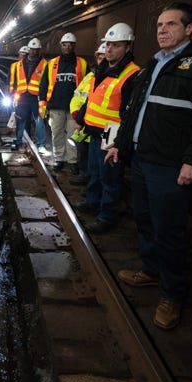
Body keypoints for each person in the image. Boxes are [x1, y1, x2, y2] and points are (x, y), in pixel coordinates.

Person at [105, 3, 192, 330]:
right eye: (160, 25)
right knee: (145, 221)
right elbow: (134, 111)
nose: (162, 30)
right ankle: (151, 271)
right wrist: (120, 144)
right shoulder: (154, 64)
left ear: (190, 28)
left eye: (171, 24)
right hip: (142, 159)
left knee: (169, 230)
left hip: (170, 165)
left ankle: (172, 294)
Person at [77, 24, 140, 234]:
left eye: (116, 45)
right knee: (95, 172)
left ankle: (107, 216)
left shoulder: (132, 74)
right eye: (108, 44)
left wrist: (119, 140)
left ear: (128, 47)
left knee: (110, 178)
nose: (110, 49)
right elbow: (93, 97)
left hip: (112, 133)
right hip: (95, 131)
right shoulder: (103, 68)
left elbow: (129, 113)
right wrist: (83, 118)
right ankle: (92, 202)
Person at [38, 32, 88, 172]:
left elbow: (88, 84)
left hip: (74, 108)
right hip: (55, 105)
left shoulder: (82, 63)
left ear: (74, 46)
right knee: (57, 134)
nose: (68, 47)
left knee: (72, 135)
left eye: (70, 45)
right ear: (61, 46)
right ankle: (59, 158)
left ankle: (72, 160)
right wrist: (43, 103)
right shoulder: (52, 64)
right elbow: (44, 84)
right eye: (65, 45)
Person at [69, 42, 106, 185]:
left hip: (99, 128)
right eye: (100, 58)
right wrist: (75, 112)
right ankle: (85, 178)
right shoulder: (90, 77)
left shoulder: (111, 79)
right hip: (84, 124)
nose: (102, 61)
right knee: (83, 153)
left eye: (104, 58)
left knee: (97, 161)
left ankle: (93, 184)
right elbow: (77, 95)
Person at [11, 37, 47, 152]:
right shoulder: (19, 64)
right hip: (22, 96)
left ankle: (41, 144)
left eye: (36, 49)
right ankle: (18, 141)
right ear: (29, 49)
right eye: (32, 49)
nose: (34, 51)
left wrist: (44, 98)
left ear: (39, 50)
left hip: (37, 97)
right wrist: (14, 94)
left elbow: (47, 82)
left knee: (39, 120)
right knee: (20, 119)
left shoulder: (45, 64)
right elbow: (15, 81)